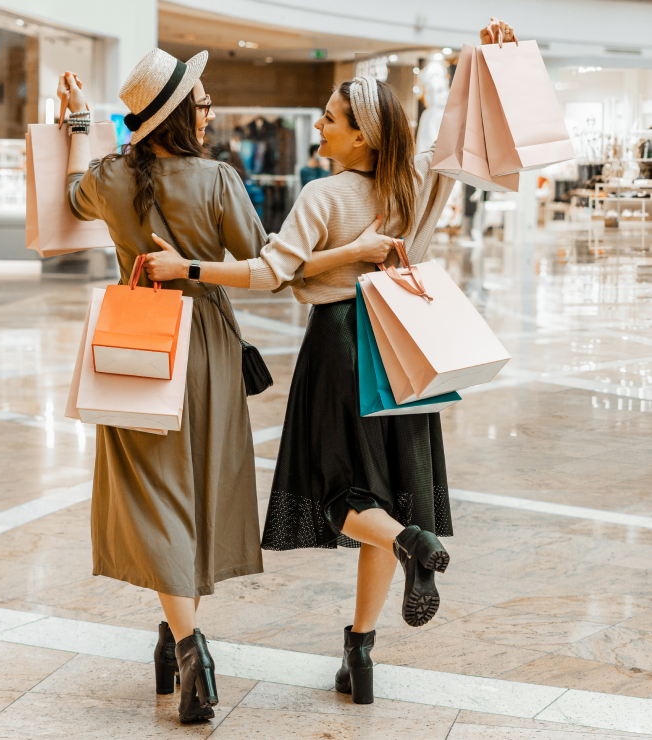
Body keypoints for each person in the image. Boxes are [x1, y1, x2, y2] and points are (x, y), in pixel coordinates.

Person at [145, 18, 516, 706]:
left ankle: (412, 543)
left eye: (331, 118)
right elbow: (460, 133)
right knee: (385, 490)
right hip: (406, 350)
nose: (319, 125)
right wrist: (487, 61)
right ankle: (361, 653)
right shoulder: (415, 187)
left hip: (342, 345)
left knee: (339, 496)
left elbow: (268, 273)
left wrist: (187, 266)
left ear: (363, 135)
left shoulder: (323, 197)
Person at [58, 48, 391, 723]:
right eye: (203, 103)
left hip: (139, 349)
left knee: (154, 497)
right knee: (197, 492)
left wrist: (76, 124)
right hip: (206, 346)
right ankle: (183, 640)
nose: (210, 113)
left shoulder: (110, 177)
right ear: (181, 116)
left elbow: (69, 195)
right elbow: (262, 260)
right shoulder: (217, 180)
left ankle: (183, 644)